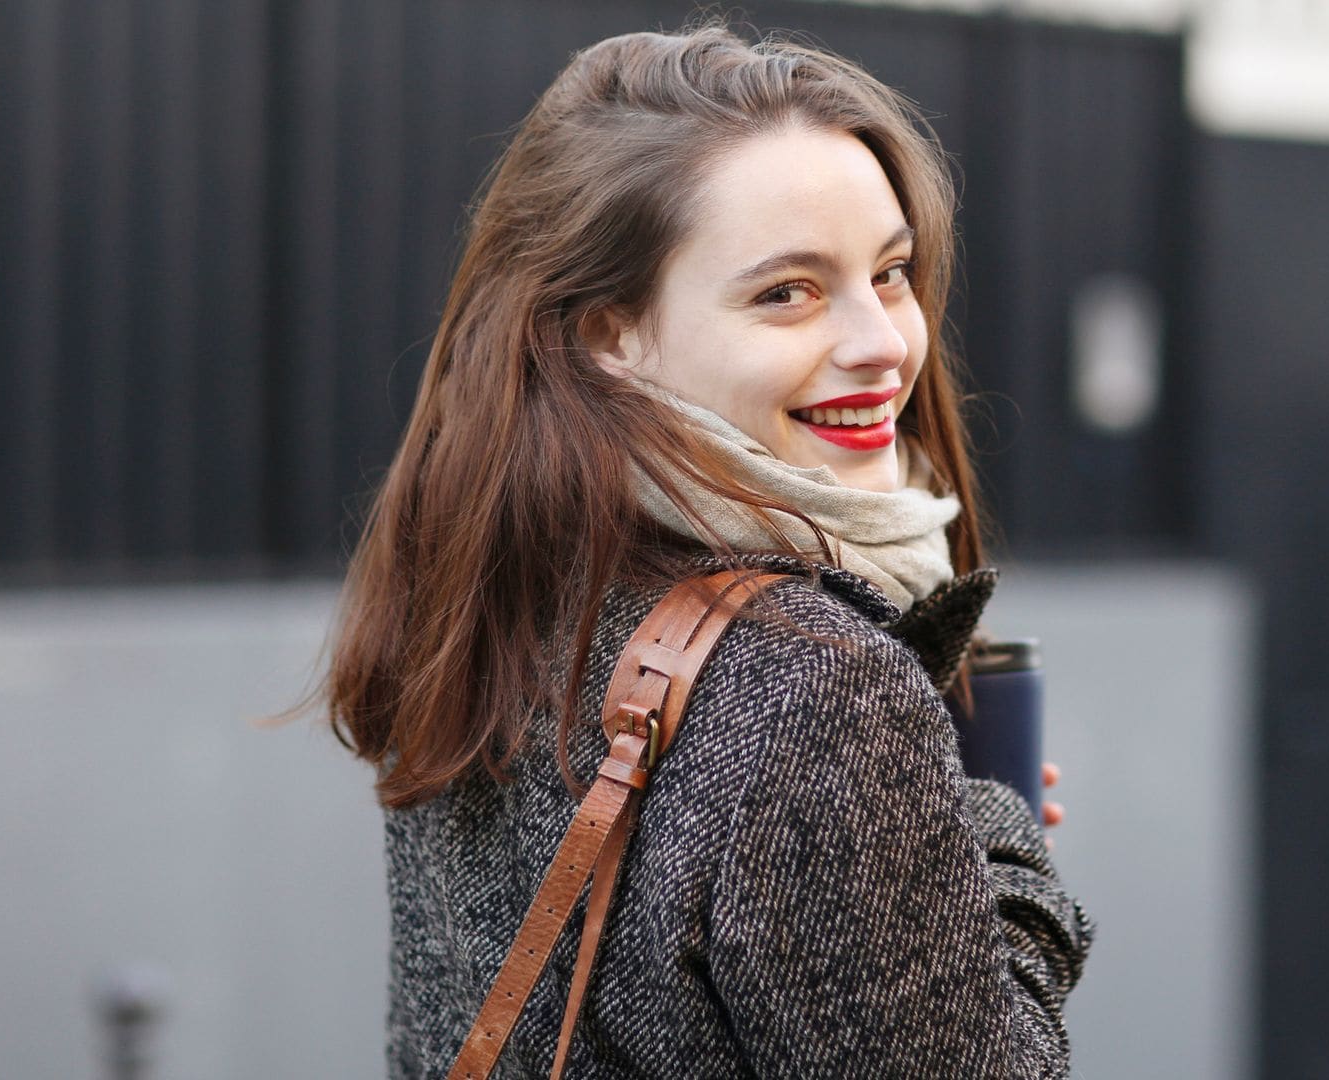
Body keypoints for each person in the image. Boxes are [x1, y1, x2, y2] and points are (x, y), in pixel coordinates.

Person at [325, 23, 1094, 1078]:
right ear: (608, 334)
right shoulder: (822, 687)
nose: (883, 343)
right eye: (789, 292)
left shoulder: (488, 587)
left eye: (892, 273)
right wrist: (996, 847)